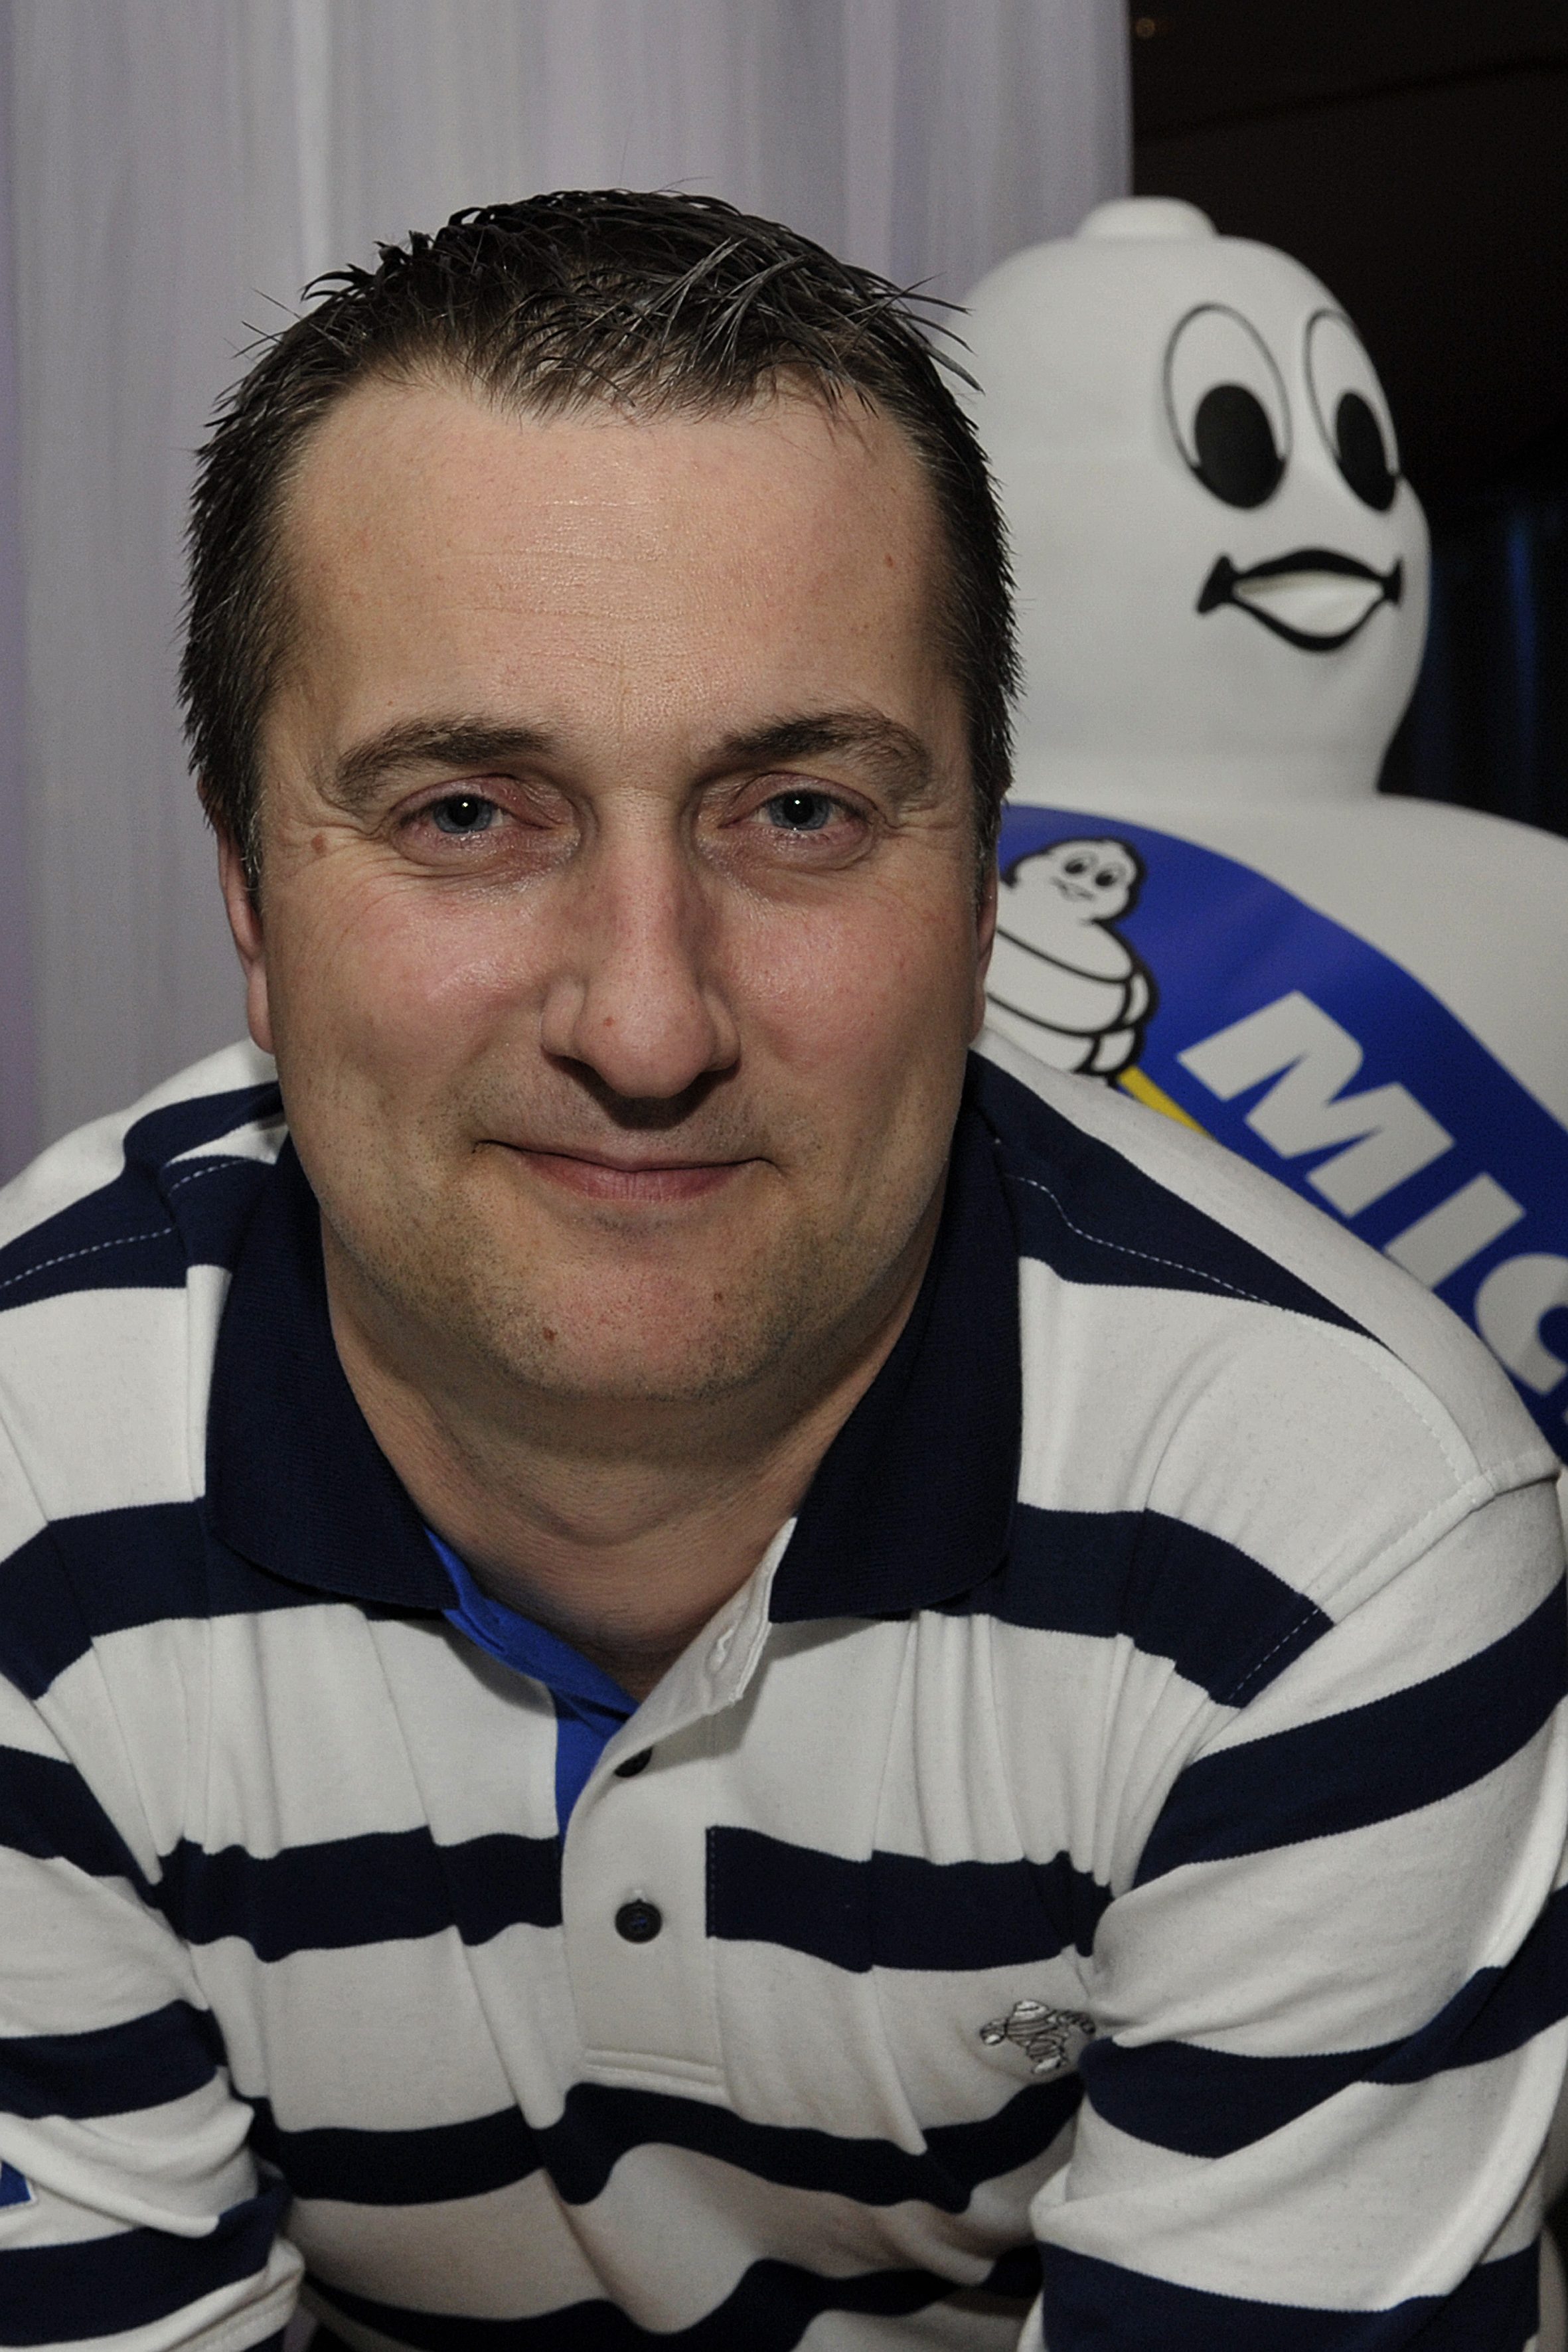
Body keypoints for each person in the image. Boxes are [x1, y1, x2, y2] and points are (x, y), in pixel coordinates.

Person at [0, 193, 1562, 2352]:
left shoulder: (1338, 1535)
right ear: (254, 907)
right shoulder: (24, 1476)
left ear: (985, 889)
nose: (647, 1026)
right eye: (466, 814)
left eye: (800, 811)